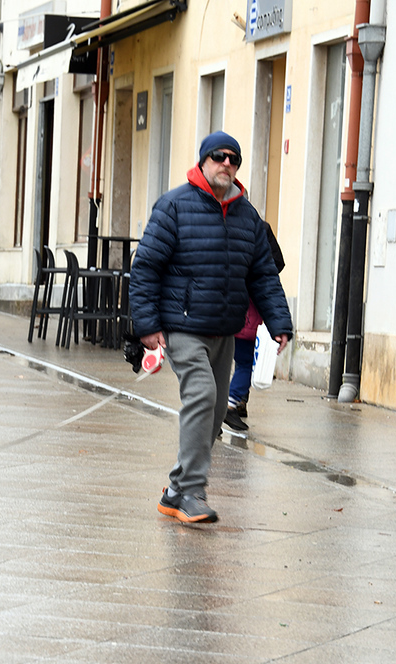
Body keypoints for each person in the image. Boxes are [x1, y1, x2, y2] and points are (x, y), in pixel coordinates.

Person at [129, 131, 293, 524]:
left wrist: (279, 322)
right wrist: (146, 325)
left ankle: (174, 491)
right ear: (203, 160)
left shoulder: (247, 216)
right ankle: (192, 492)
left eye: (234, 159)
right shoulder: (173, 206)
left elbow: (264, 275)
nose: (227, 164)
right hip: (182, 326)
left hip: (225, 328)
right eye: (219, 157)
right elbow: (145, 267)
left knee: (217, 411)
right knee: (202, 395)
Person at [224, 222, 286, 432]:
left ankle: (215, 413)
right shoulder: (259, 227)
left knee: (216, 365)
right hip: (246, 311)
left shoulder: (216, 223)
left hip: (219, 311)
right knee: (245, 363)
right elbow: (276, 264)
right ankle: (230, 405)